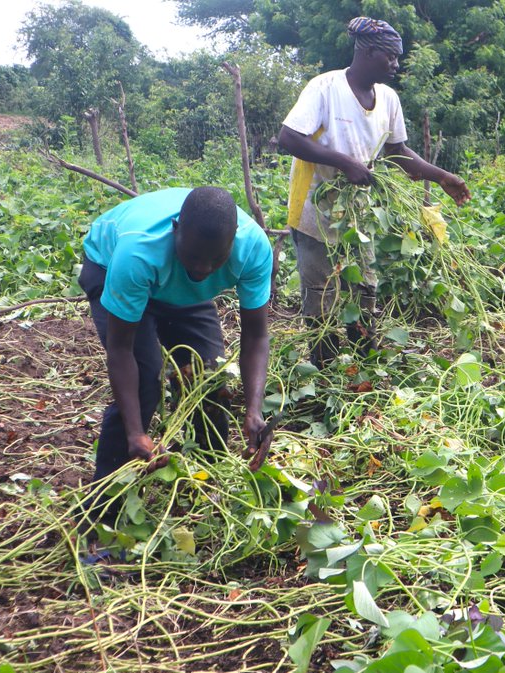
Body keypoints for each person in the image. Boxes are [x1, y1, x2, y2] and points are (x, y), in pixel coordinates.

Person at [277, 16, 471, 366]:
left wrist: (442, 176)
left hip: (357, 216)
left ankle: (364, 359)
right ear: (367, 52)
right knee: (320, 294)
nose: (396, 65)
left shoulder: (389, 99)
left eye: (397, 58)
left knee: (365, 289)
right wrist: (345, 163)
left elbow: (398, 152)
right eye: (390, 57)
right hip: (313, 212)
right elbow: (289, 138)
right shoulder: (325, 88)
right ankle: (322, 366)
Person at [77, 187, 274, 521]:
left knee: (210, 380)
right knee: (145, 386)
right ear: (175, 231)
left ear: (232, 244)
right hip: (111, 266)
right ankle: (100, 516)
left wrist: (254, 411)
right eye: (195, 256)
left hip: (177, 286)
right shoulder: (138, 252)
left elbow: (256, 334)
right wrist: (136, 432)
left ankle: (204, 485)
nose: (204, 268)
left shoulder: (252, 248)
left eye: (216, 259)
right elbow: (121, 349)